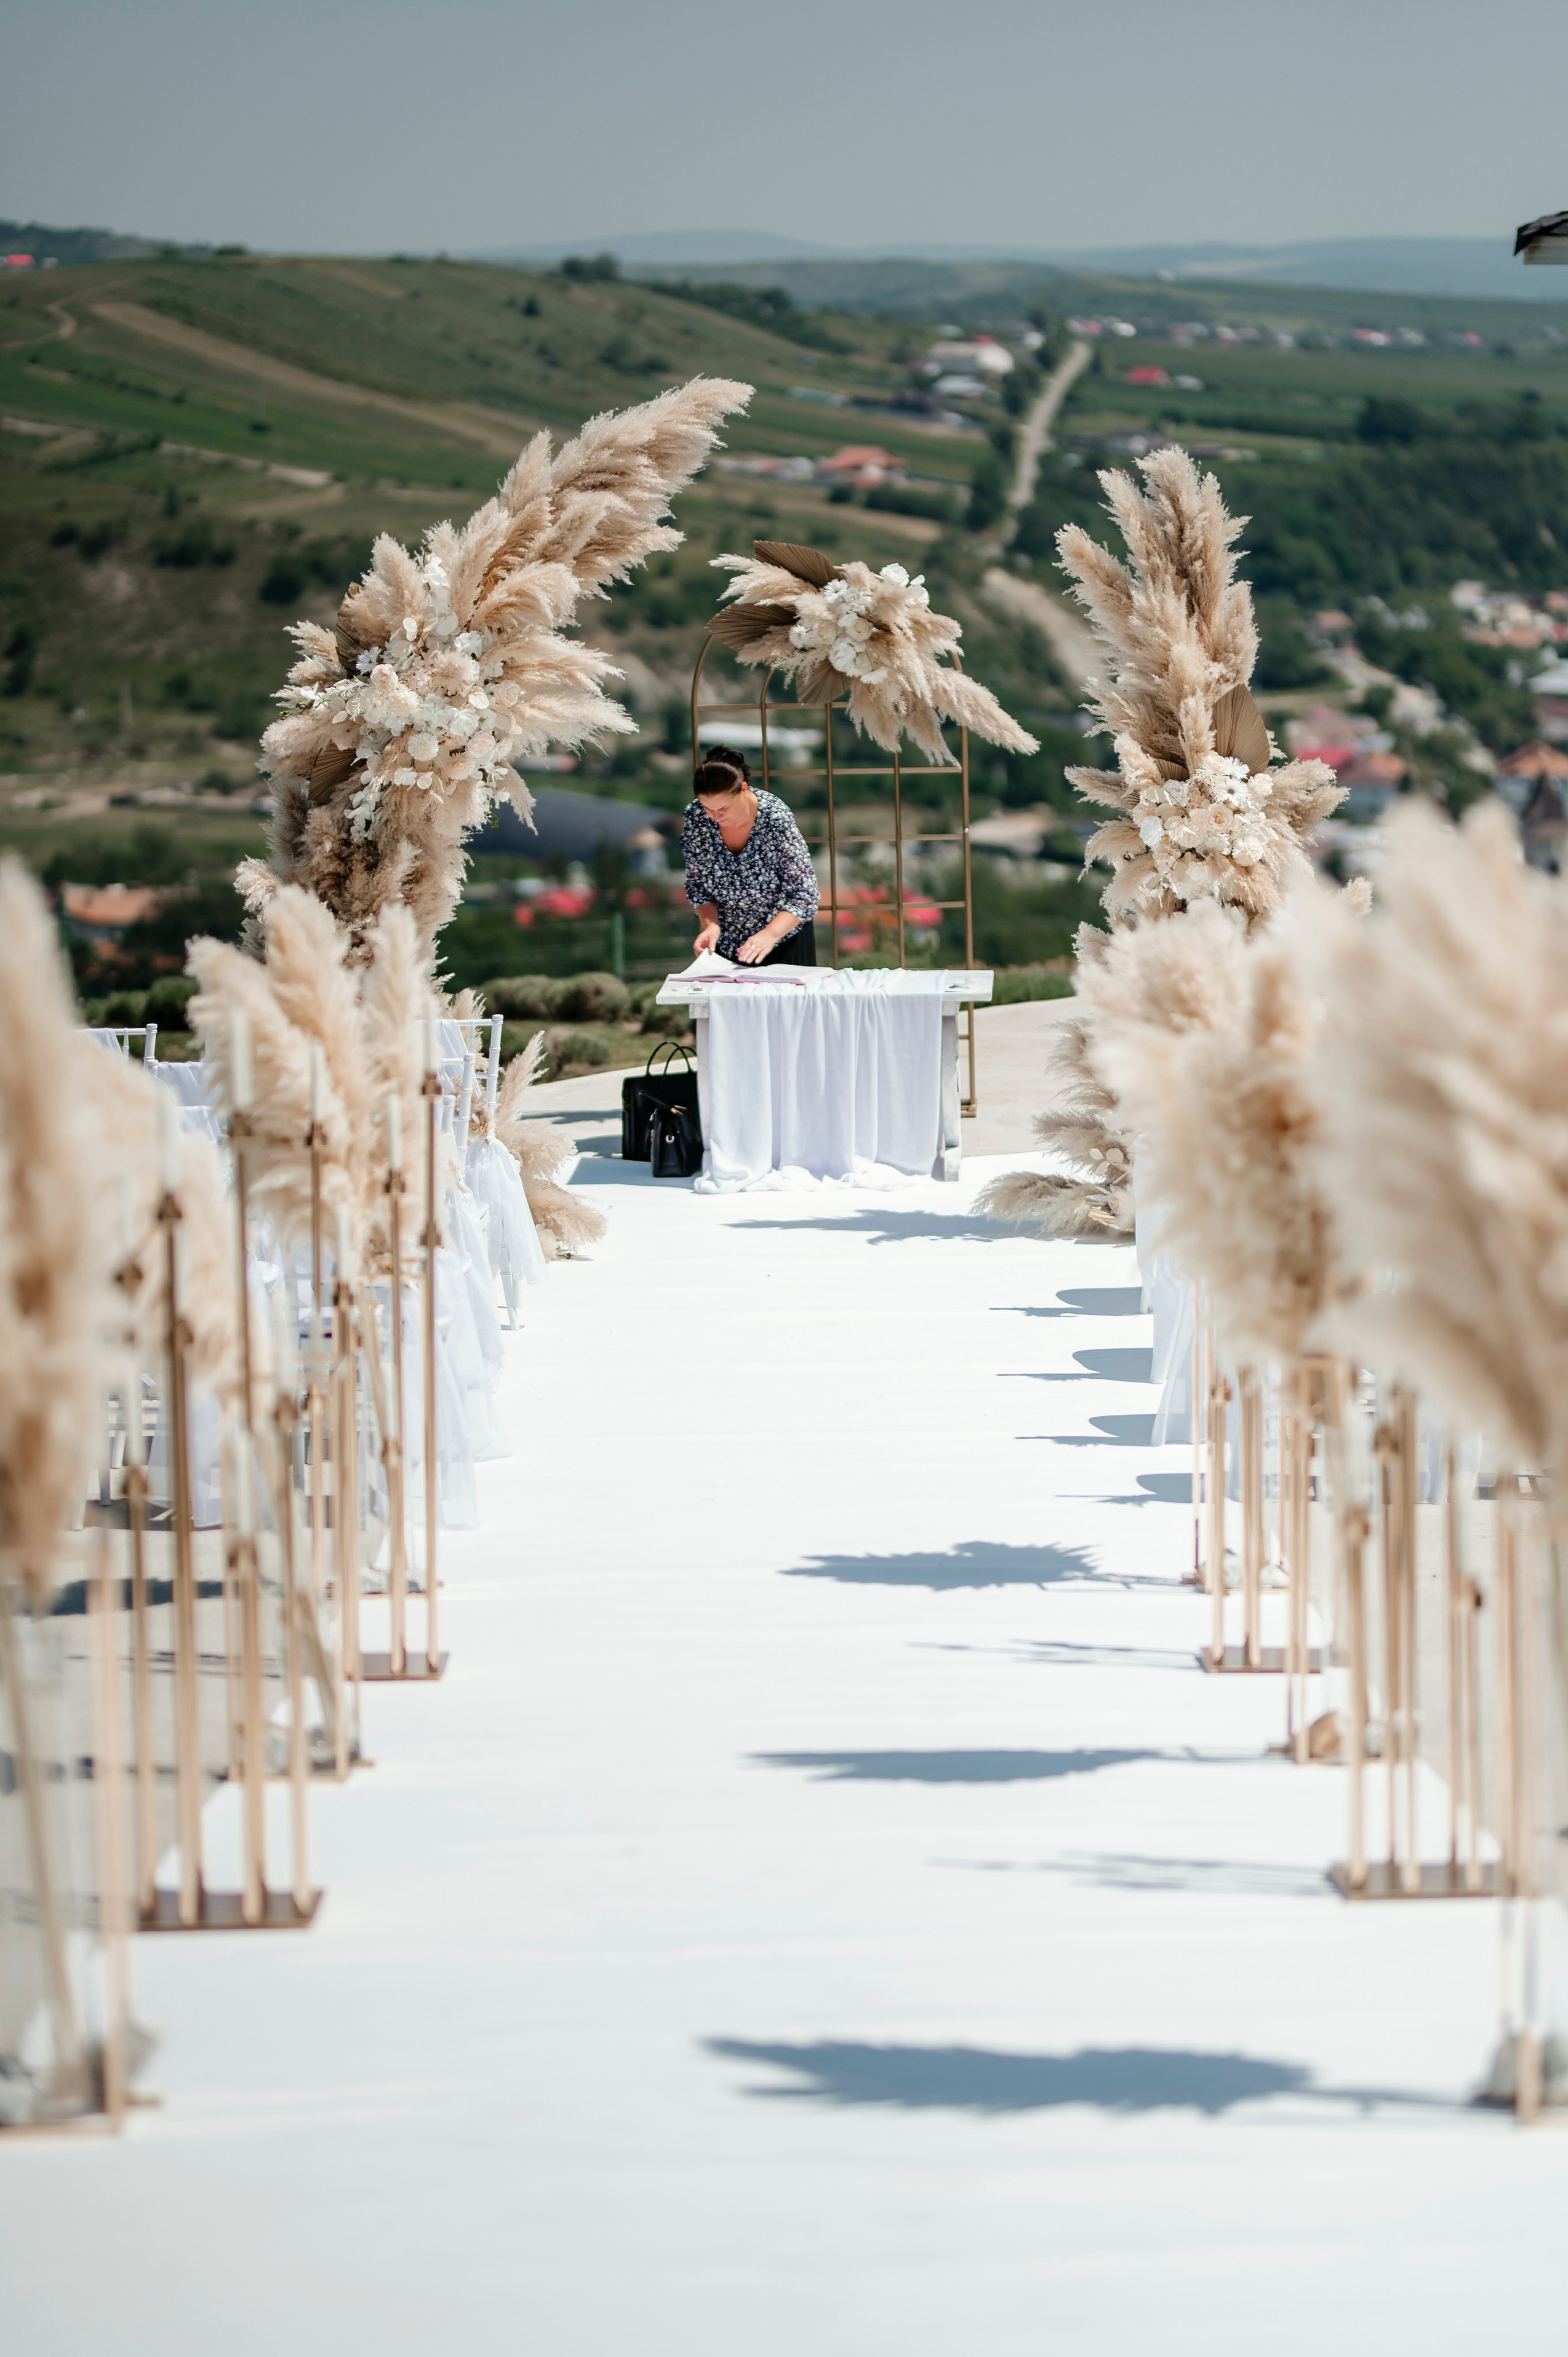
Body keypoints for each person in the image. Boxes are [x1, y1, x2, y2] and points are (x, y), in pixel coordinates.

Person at [682, 745, 821, 966]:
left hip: (783, 938)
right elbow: (697, 886)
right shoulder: (696, 817)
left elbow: (804, 894)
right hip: (726, 943)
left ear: (744, 789)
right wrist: (710, 925)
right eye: (708, 808)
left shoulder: (775, 818)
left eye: (724, 808)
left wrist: (770, 935)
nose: (716, 817)